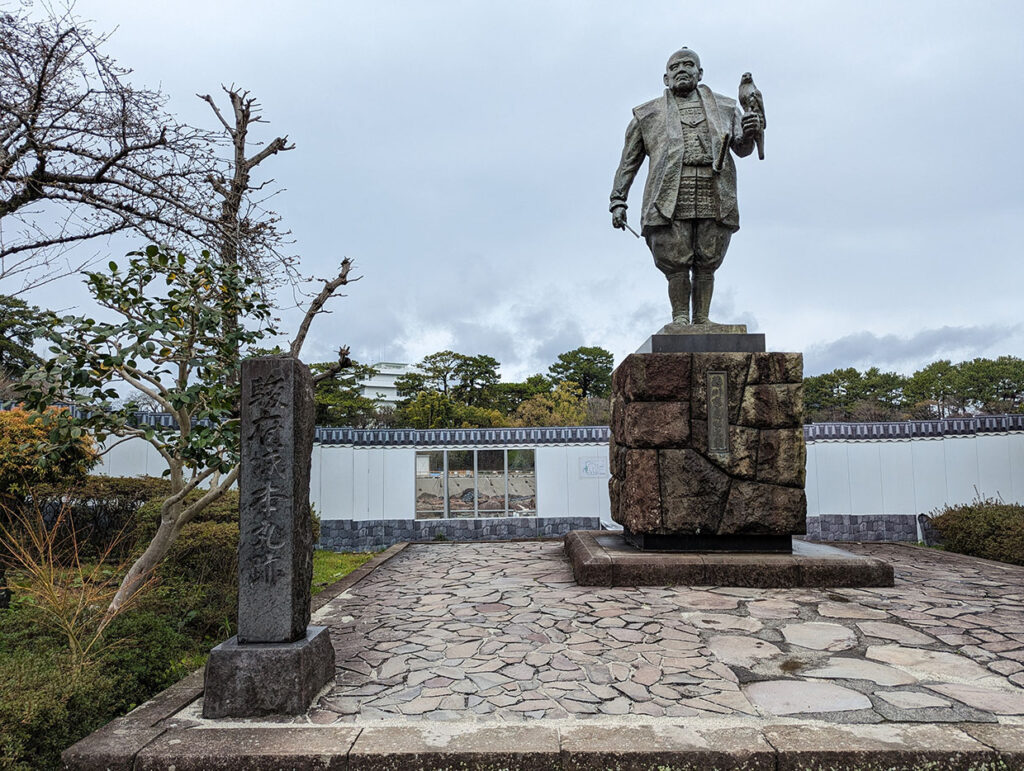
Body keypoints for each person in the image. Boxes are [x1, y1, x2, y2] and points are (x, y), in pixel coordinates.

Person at [610, 47, 762, 326]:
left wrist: (751, 131)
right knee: (675, 258)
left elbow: (742, 148)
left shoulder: (727, 107)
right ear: (665, 78)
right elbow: (628, 161)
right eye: (675, 66)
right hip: (670, 192)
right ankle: (680, 318)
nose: (682, 69)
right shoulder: (647, 115)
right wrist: (618, 200)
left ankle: (702, 319)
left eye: (689, 64)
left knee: (708, 257)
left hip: (714, 189)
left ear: (699, 73)